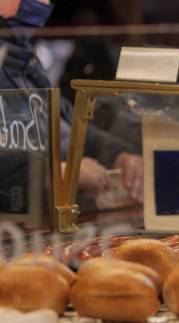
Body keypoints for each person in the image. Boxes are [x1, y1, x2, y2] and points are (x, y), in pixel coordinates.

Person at [0, 0, 144, 202]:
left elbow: (64, 128)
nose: (43, 3)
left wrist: (116, 156)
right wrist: (55, 173)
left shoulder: (20, 60)